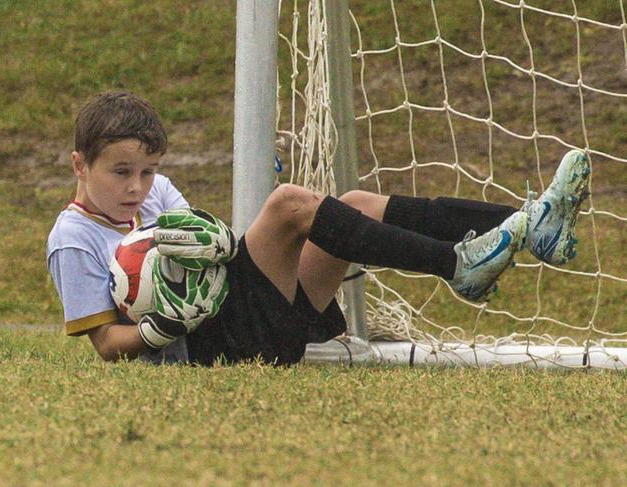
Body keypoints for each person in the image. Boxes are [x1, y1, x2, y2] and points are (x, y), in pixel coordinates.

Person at [46, 91, 591, 365]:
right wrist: (155, 330)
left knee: (352, 201)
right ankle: (457, 265)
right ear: (79, 165)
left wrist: (218, 241)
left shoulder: (156, 194)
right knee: (288, 205)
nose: (138, 186)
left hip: (255, 321)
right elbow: (104, 343)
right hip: (210, 347)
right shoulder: (73, 239)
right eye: (121, 173)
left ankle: (526, 225)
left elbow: (213, 250)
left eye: (147, 171)